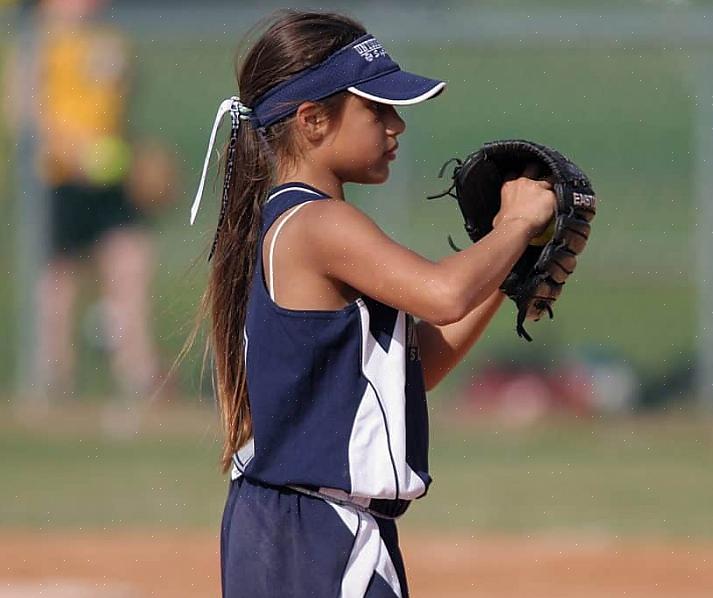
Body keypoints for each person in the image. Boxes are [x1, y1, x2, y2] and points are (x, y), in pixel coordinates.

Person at [188, 10, 555, 597]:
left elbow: (422, 363)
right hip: (312, 535)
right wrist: (514, 225)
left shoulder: (310, 221)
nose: (395, 126)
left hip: (321, 528)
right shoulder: (317, 223)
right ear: (312, 121)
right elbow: (443, 294)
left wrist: (508, 264)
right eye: (376, 108)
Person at [27, 0, 171, 416]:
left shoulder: (108, 39)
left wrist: (133, 152)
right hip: (57, 178)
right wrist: (76, 151)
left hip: (109, 176)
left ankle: (138, 375)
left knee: (130, 264)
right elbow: (26, 114)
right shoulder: (37, 41)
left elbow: (118, 108)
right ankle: (53, 381)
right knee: (59, 282)